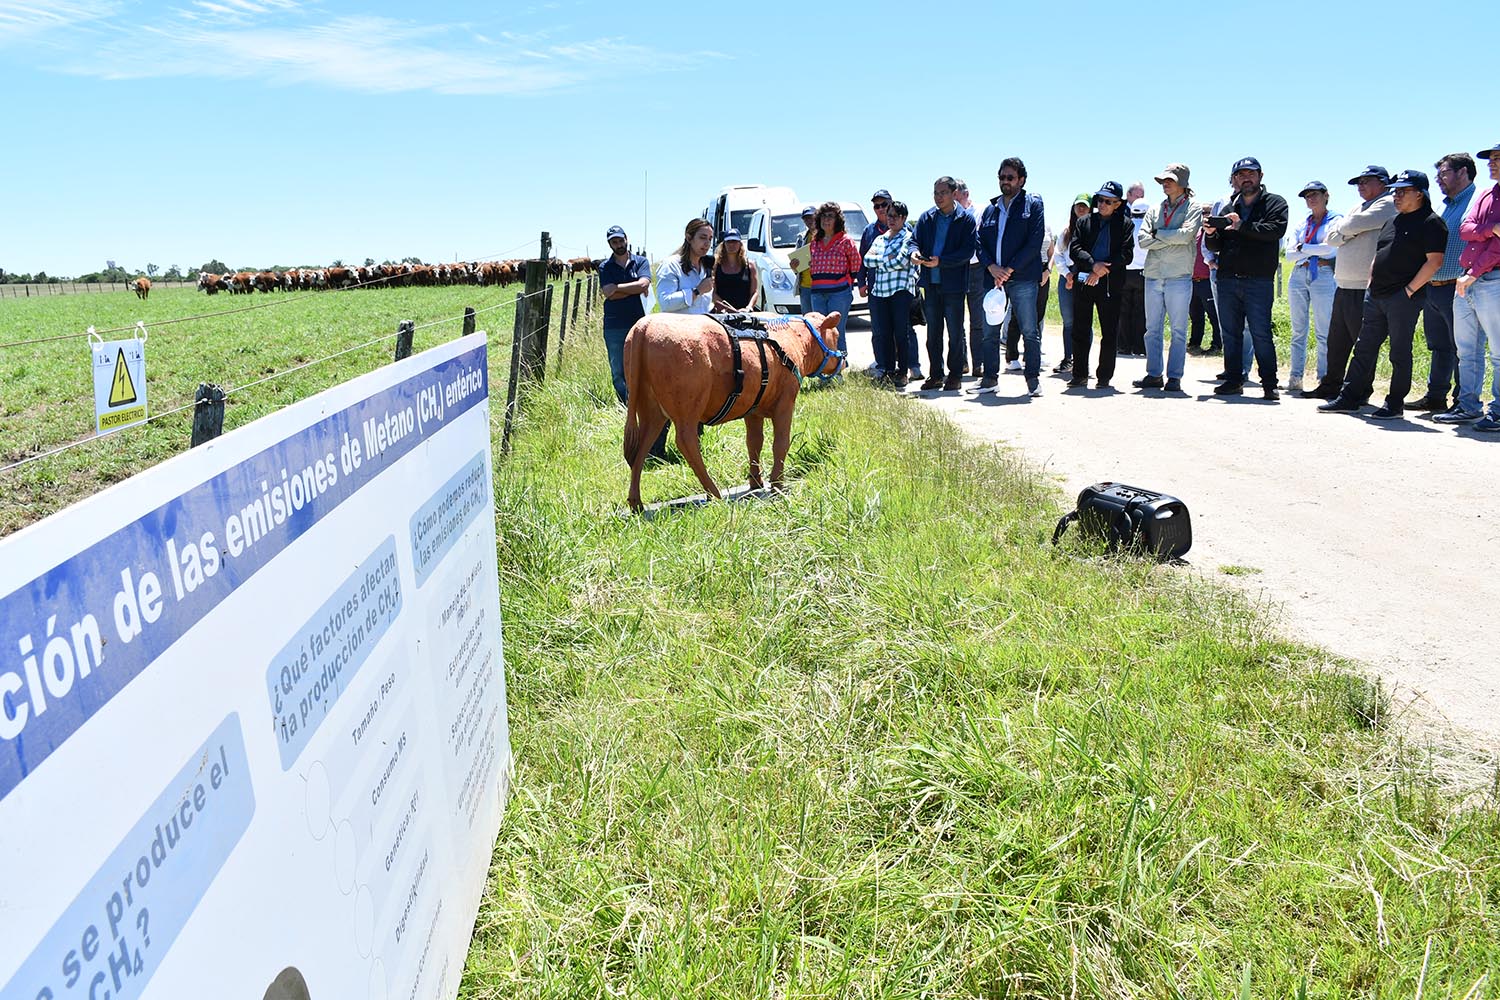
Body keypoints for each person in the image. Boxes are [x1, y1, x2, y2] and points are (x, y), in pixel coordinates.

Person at [1319, 170, 1447, 419]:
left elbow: (1434, 262)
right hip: (1375, 295)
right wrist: (1371, 281)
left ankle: (1394, 403)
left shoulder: (1431, 222)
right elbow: (1380, 253)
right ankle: (1349, 397)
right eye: (1395, 191)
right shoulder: (1393, 220)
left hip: (1403, 298)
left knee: (1399, 351)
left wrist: (1409, 291)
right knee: (1364, 348)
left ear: (1419, 194)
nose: (1396, 195)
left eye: (1403, 191)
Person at [1202, 156, 1289, 399]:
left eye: (1251, 173)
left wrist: (1242, 226)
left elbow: (1275, 231)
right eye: (1240, 175)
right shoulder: (1230, 208)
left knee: (1260, 333)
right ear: (1234, 180)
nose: (1246, 178)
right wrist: (1210, 234)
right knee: (1230, 333)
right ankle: (1233, 379)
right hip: (1228, 279)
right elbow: (1217, 245)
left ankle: (1269, 384)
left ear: (1261, 176)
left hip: (1258, 280)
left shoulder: (1275, 203)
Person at [1309, 166, 1396, 398]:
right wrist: (1349, 230)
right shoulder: (1357, 207)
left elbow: (1345, 228)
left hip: (1364, 286)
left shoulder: (1388, 202)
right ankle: (1330, 385)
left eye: (1366, 181)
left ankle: (1360, 390)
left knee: (1363, 344)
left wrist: (1346, 229)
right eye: (1359, 182)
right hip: (1344, 284)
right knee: (1337, 341)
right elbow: (1331, 236)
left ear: (1383, 182)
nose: (1360, 185)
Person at [1438, 141, 1500, 430]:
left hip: (1491, 279)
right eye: (1491, 158)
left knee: (1498, 352)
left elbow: (1497, 247)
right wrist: (1488, 230)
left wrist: (1473, 273)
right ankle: (1468, 406)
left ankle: (1498, 411)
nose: (1492, 163)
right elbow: (1465, 228)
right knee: (1467, 350)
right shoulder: (1486, 194)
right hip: (1468, 280)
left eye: (1498, 158)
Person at [1409, 153, 1477, 412]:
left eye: (1444, 174)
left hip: (1459, 287)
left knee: (1463, 348)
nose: (1438, 180)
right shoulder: (1444, 206)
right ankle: (1436, 397)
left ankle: (1463, 402)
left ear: (1463, 172)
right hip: (1434, 287)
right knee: (1439, 346)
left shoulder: (1476, 200)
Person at [976, 157, 1047, 395]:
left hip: (1023, 277)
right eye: (1002, 177)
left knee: (1029, 330)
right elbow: (979, 242)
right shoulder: (990, 209)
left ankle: (1033, 379)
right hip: (993, 279)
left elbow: (1034, 241)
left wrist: (1009, 269)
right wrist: (991, 267)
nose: (1005, 182)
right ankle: (990, 379)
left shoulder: (1033, 205)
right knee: (989, 332)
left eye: (1010, 177)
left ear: (1021, 180)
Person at [1134, 164, 1202, 392]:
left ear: (1182, 182)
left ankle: (1174, 377)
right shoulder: (1155, 209)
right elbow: (1142, 240)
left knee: (1179, 330)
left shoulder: (1193, 207)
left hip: (1179, 276)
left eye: (1170, 179)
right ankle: (1153, 374)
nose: (1165, 183)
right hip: (1153, 274)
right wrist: (1169, 236)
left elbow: (1186, 236)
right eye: (1163, 179)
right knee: (1151, 329)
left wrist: (1158, 234)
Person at [911, 176, 977, 391]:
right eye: (936, 193)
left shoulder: (965, 219)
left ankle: (955, 374)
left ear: (954, 193)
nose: (939, 197)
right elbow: (913, 240)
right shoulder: (926, 217)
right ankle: (936, 374)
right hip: (931, 284)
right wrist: (914, 253)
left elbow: (968, 251)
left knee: (955, 333)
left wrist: (942, 261)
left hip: (954, 285)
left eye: (943, 193)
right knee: (933, 334)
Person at [1067, 181, 1135, 389]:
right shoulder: (1084, 222)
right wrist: (1092, 265)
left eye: (1108, 201)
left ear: (1117, 204)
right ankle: (1079, 375)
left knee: (1109, 331)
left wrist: (1103, 269)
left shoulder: (1125, 224)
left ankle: (1104, 377)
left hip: (1110, 285)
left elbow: (1126, 254)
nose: (1102, 204)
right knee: (1080, 329)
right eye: (1100, 200)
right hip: (1084, 282)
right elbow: (1075, 248)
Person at [1283, 181, 1341, 395]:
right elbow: (1289, 254)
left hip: (1324, 275)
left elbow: (1331, 248)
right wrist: (1312, 251)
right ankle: (1295, 377)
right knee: (1298, 330)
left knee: (1324, 330)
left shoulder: (1336, 220)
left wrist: (1302, 248)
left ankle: (1324, 378)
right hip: (1298, 274)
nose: (1311, 199)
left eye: (1315, 194)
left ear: (1326, 195)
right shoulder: (1302, 223)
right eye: (1307, 196)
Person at [863, 200, 919, 388]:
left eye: (895, 216)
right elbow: (867, 260)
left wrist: (882, 262)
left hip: (900, 291)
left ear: (904, 218)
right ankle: (887, 370)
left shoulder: (908, 237)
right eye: (889, 215)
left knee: (901, 333)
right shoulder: (880, 238)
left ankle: (902, 372)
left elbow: (901, 262)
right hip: (879, 292)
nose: (891, 219)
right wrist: (887, 258)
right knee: (884, 333)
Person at [796, 201, 862, 352]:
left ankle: (840, 366)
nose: (826, 220)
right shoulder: (815, 242)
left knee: (837, 331)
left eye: (830, 216)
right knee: (819, 330)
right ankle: (824, 368)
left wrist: (847, 282)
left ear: (837, 220)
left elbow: (856, 263)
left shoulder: (845, 241)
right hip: (817, 293)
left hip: (839, 293)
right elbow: (807, 265)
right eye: (824, 216)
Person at [598, 225, 652, 404]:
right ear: (609, 244)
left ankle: (643, 401)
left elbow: (644, 284)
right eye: (614, 241)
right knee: (618, 369)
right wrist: (634, 288)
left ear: (626, 239)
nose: (619, 244)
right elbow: (607, 293)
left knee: (643, 364)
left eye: (621, 240)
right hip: (615, 325)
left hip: (639, 321)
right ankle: (626, 403)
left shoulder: (641, 262)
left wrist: (617, 289)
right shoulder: (605, 266)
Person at [1051, 193, 1091, 374]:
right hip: (1067, 276)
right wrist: (1066, 274)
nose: (1081, 209)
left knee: (1084, 321)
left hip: (1085, 277)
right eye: (1078, 205)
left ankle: (1084, 361)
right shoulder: (1066, 231)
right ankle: (1069, 358)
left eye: (1085, 206)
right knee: (1068, 321)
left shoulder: (1093, 230)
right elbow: (1058, 255)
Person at [858, 189, 894, 374]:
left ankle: (912, 365)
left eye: (883, 204)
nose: (880, 209)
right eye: (876, 206)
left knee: (903, 329)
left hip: (898, 288)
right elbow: (861, 258)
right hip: (875, 288)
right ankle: (882, 364)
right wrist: (861, 282)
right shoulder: (869, 231)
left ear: (891, 204)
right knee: (879, 329)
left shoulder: (904, 227)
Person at [956, 179, 985, 375]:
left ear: (965, 194)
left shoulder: (981, 211)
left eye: (955, 197)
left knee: (977, 319)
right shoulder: (949, 215)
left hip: (977, 269)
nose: (953, 201)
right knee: (957, 319)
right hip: (956, 269)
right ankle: (962, 362)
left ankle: (979, 363)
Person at [657, 218, 714, 314]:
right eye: (703, 237)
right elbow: (665, 303)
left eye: (710, 239)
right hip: (678, 327)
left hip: (703, 326)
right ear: (689, 238)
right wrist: (697, 291)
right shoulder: (671, 265)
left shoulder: (706, 267)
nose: (707, 243)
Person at [1118, 182, 1149, 357]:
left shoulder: (1126, 226)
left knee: (1124, 310)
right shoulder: (1148, 228)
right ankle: (1139, 346)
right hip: (1143, 273)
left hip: (1125, 272)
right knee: (1141, 311)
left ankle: (1123, 345)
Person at [1188, 228, 1220, 355]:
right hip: (1193, 280)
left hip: (1207, 280)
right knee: (1195, 315)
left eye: (1208, 212)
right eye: (1203, 212)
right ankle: (1194, 343)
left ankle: (1217, 344)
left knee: (1213, 315)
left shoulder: (1214, 235)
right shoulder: (1195, 233)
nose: (1205, 216)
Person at [711, 229, 759, 312]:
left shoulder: (750, 265)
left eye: (735, 241)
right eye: (728, 241)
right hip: (721, 313)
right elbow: (713, 293)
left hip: (745, 313)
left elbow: (754, 292)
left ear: (740, 244)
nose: (731, 244)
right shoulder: (715, 266)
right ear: (724, 244)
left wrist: (749, 307)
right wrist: (727, 309)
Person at [795, 204, 817, 315]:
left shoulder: (824, 236)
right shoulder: (801, 237)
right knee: (807, 319)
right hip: (805, 286)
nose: (809, 220)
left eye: (811, 217)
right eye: (806, 218)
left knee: (820, 320)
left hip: (819, 285)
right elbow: (795, 265)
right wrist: (794, 265)